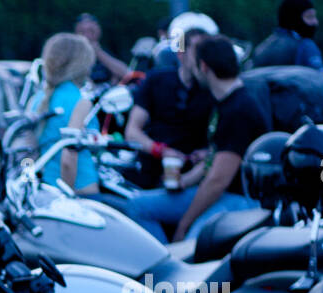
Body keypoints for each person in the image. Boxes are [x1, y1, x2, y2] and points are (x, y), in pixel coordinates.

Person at [126, 35, 269, 242]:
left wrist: (184, 225)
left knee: (193, 245)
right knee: (138, 206)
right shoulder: (226, 102)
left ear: (203, 67)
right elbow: (215, 157)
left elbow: (217, 181)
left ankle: (176, 267)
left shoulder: (238, 109)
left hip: (239, 199)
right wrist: (185, 180)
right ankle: (164, 265)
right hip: (223, 193)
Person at [124, 27, 217, 188]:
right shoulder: (156, 80)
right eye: (198, 50)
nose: (204, 56)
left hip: (195, 177)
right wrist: (160, 150)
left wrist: (207, 153)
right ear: (181, 54)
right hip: (152, 172)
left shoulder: (213, 87)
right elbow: (132, 131)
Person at [35, 32, 100, 194]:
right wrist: (67, 199)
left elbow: (27, 151)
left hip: (46, 190)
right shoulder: (81, 102)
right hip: (80, 190)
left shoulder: (38, 99)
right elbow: (68, 158)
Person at [253, 0, 323, 70]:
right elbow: (320, 79)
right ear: (294, 18)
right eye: (309, 17)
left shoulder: (262, 48)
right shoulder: (305, 45)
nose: (315, 22)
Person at [74, 13, 129, 84]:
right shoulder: (70, 53)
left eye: (91, 31)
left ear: (99, 30)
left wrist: (98, 52)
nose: (87, 35)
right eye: (83, 32)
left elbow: (126, 74)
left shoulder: (110, 49)